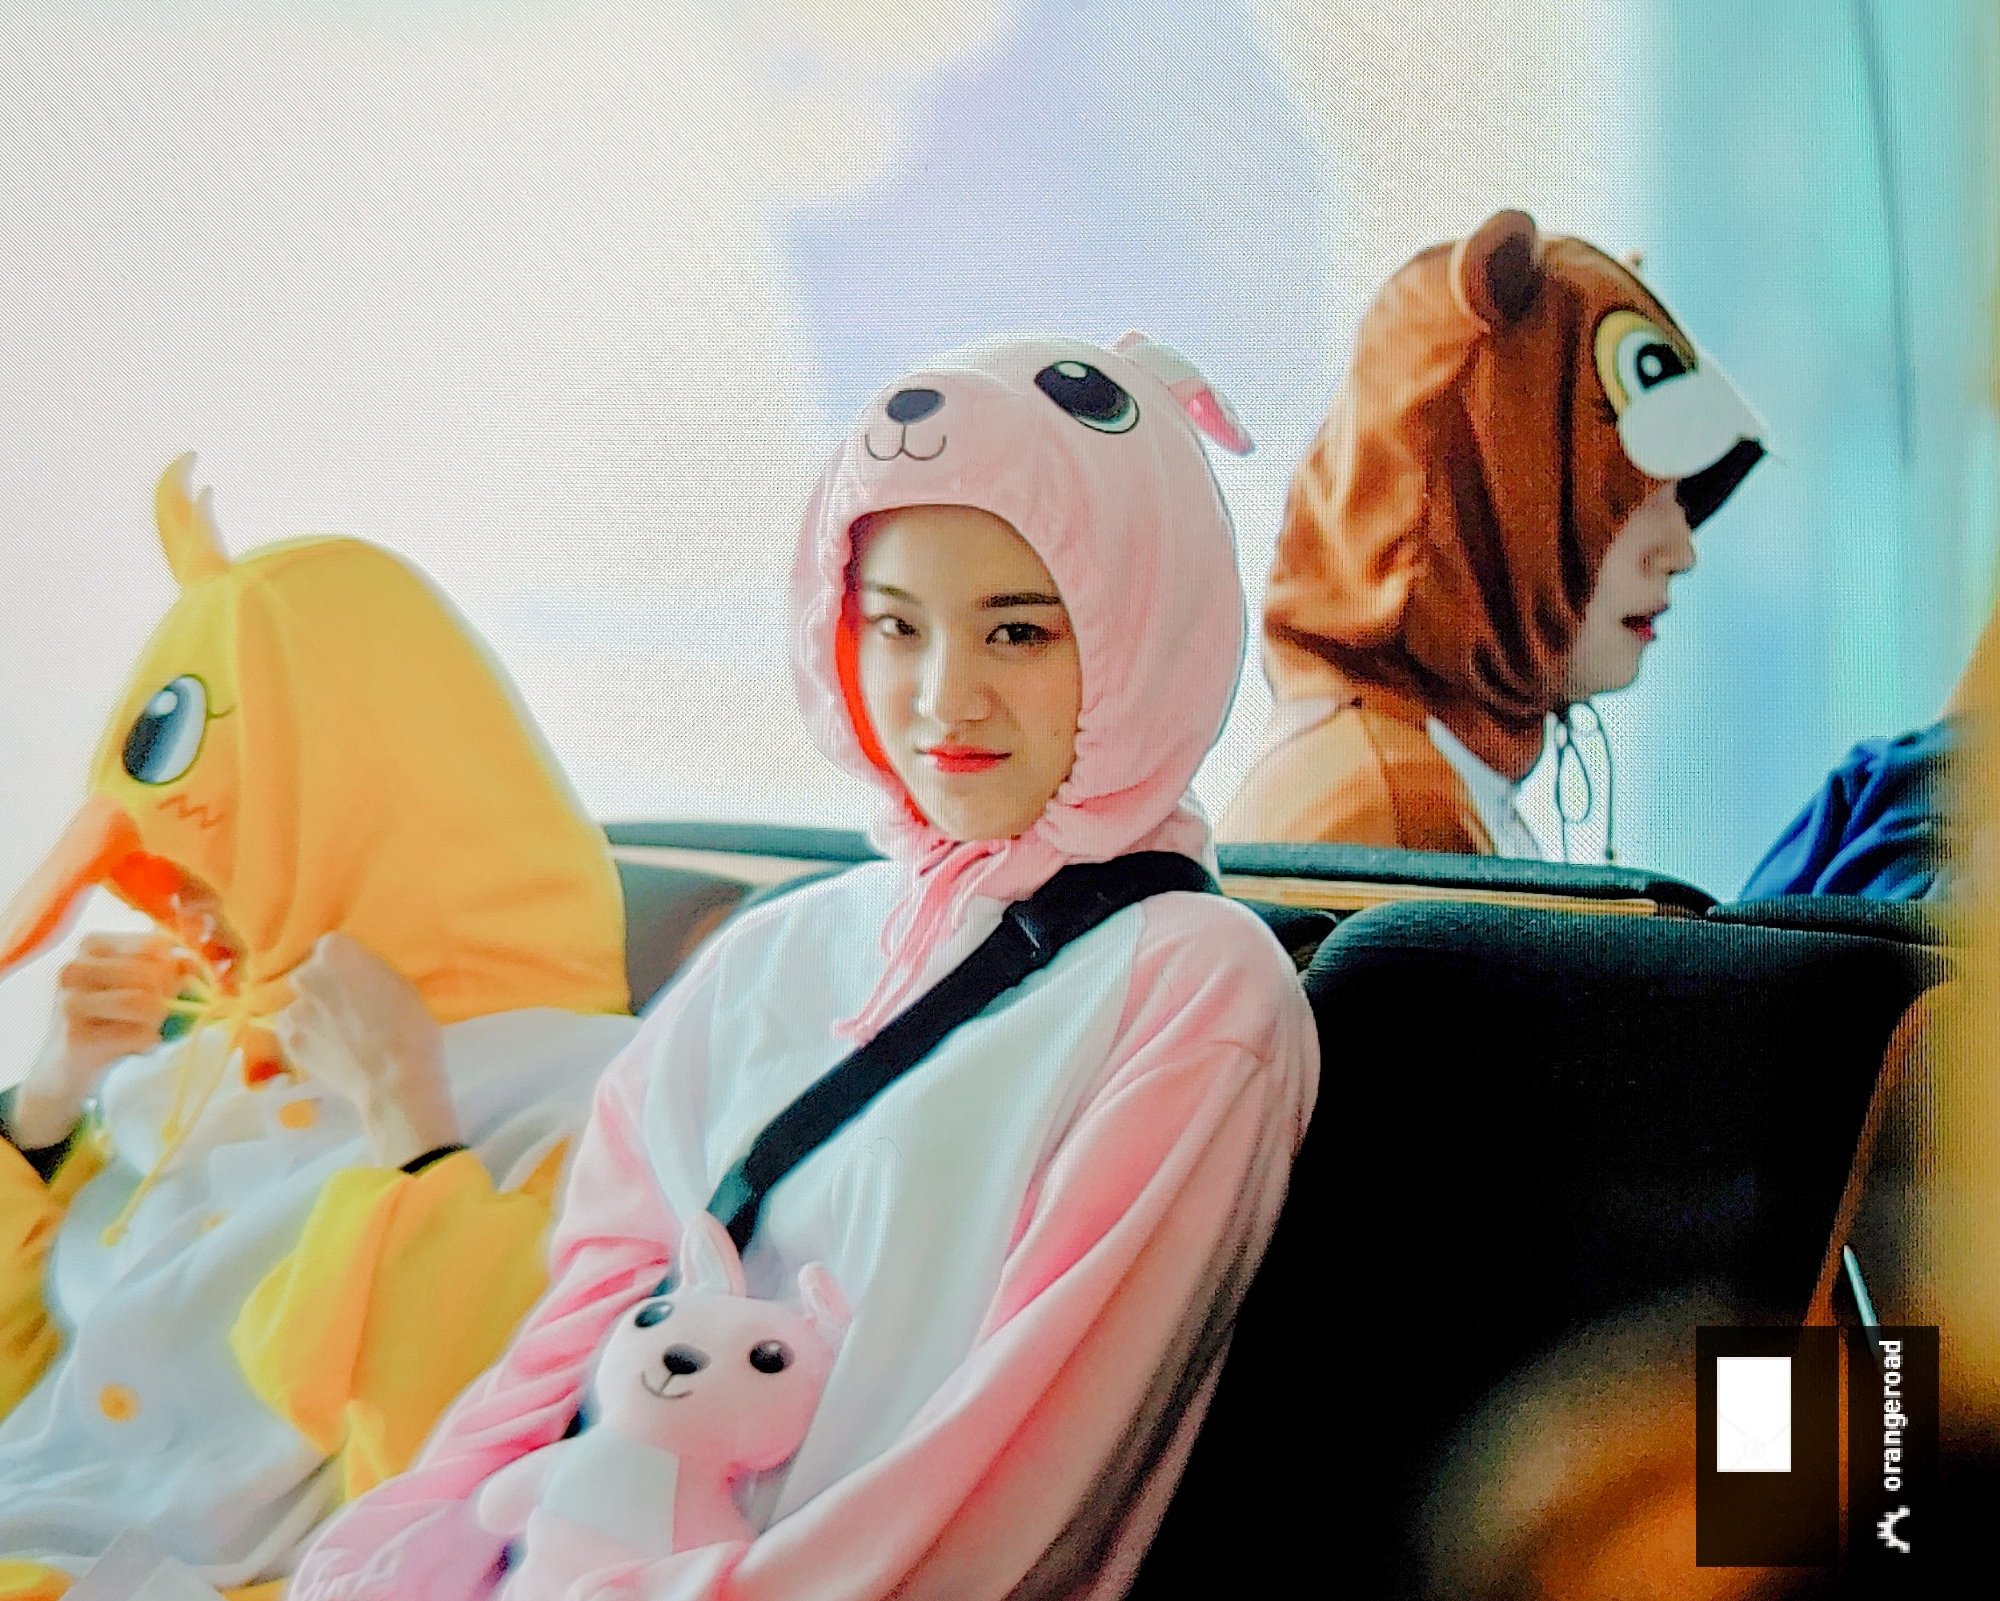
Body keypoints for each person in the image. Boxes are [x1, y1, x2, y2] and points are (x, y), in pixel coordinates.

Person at [291, 332, 1320, 1601]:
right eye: (894, 625)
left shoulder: (1198, 991)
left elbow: (1011, 1475)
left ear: (1142, 628)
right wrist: (398, 1549)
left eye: (1016, 630)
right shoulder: (774, 949)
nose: (944, 696)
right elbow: (575, 1333)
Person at [0, 458, 637, 1598]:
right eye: (164, 884)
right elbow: (39, 1379)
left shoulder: (589, 1097)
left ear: (355, 811)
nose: (186, 919)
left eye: (210, 864)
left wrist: (412, 1132)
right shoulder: (189, 1068)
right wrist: (45, 1109)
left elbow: (458, 1479)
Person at [1219, 208, 1768, 857]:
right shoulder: (1393, 811)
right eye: (1632, 496)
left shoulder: (1409, 777)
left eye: (1679, 499)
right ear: (1486, 489)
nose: (1681, 551)